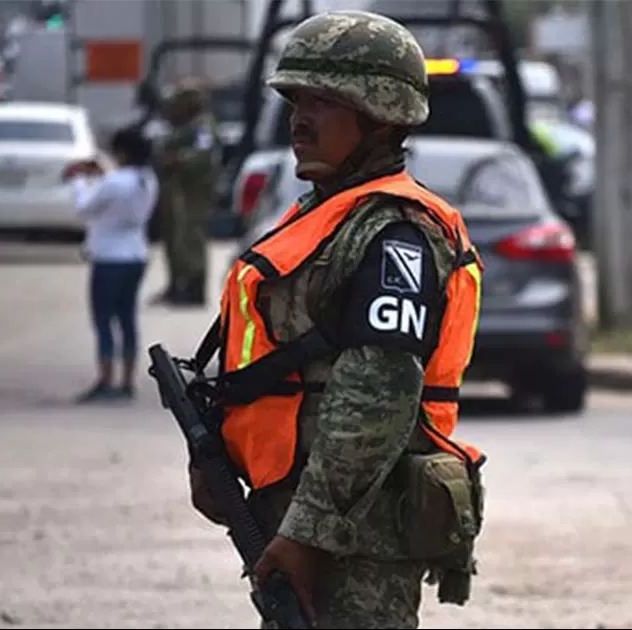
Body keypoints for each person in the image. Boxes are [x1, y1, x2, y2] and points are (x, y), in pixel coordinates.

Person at [184, 10, 487, 627]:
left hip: (356, 533)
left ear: (379, 116)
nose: (300, 117)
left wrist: (310, 534)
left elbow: (376, 396)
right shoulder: (325, 217)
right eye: (296, 99)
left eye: (323, 101)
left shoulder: (394, 233)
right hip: (298, 510)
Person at [72, 126, 159, 403]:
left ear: (121, 152)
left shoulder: (114, 182)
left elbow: (84, 208)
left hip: (109, 257)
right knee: (127, 317)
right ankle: (127, 379)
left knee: (103, 319)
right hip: (136, 254)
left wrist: (81, 182)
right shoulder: (146, 179)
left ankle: (106, 378)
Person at [152, 80, 219, 307]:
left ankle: (194, 288)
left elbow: (205, 152)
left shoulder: (202, 125)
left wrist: (179, 160)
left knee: (191, 237)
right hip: (176, 189)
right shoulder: (178, 126)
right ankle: (176, 284)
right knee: (173, 238)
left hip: (194, 190)